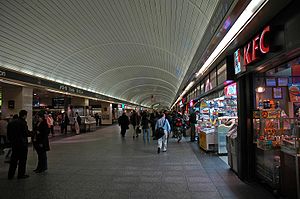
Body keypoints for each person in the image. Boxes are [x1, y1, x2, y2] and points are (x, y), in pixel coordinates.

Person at [7, 110, 31, 179]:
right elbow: (25, 133)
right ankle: (21, 174)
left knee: (13, 160)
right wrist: (33, 133)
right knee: (22, 160)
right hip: (22, 144)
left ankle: (10, 175)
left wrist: (11, 141)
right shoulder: (23, 123)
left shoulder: (11, 122)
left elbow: (8, 134)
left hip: (14, 144)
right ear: (24, 115)